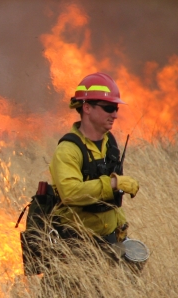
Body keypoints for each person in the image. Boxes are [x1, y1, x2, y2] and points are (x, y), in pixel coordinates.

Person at [49, 72, 139, 250]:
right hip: (75, 245)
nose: (115, 114)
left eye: (116, 108)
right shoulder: (68, 149)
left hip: (109, 240)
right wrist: (112, 183)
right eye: (108, 108)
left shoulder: (110, 144)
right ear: (87, 108)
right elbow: (70, 193)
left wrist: (121, 229)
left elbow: (110, 202)